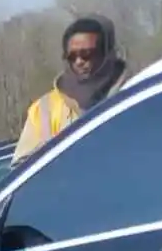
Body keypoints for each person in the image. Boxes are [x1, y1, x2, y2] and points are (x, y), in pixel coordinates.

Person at [13, 14, 131, 162]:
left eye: (87, 54)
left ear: (108, 53)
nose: (79, 61)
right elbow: (22, 169)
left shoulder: (135, 96)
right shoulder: (44, 109)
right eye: (72, 56)